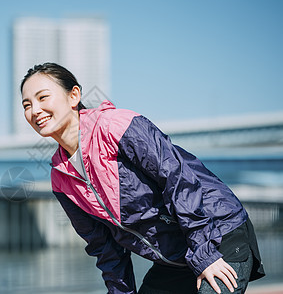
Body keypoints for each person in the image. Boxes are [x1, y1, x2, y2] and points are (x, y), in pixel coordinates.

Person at [20, 62, 265, 294]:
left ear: (73, 96)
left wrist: (204, 253)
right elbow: (103, 247)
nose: (35, 110)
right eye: (26, 105)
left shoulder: (116, 126)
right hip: (176, 259)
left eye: (43, 97)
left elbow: (178, 180)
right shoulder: (61, 178)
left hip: (217, 233)